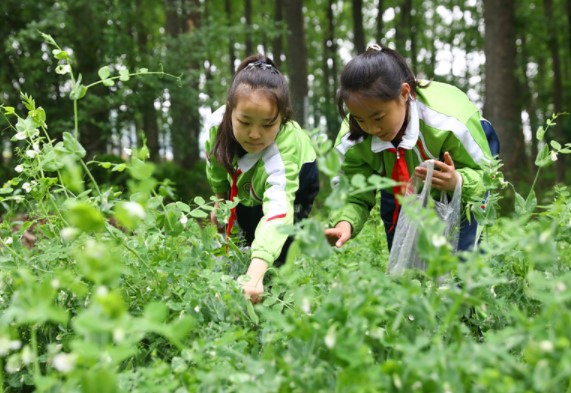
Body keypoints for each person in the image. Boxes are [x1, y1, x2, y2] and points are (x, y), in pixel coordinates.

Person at [325, 43, 499, 253]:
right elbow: (353, 194)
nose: (371, 128)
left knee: (462, 260)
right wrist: (345, 223)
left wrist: (458, 181)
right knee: (405, 264)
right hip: (398, 182)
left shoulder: (450, 122)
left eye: (378, 116)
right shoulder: (352, 139)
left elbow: (487, 175)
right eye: (360, 119)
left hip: (463, 171)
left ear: (404, 93)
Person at [205, 54, 319, 303]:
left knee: (282, 244)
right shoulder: (216, 125)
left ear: (283, 118)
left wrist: (255, 274)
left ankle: (277, 293)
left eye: (268, 125)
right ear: (229, 111)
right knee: (246, 230)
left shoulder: (284, 149)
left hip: (299, 177)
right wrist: (219, 200)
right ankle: (250, 276)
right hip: (247, 179)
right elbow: (216, 165)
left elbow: (278, 211)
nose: (255, 134)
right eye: (244, 122)